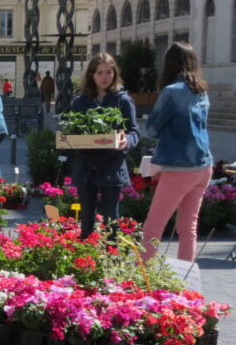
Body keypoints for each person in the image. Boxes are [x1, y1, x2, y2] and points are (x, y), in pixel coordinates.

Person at [142, 42, 213, 262]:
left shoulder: (172, 92)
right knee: (188, 228)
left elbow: (153, 129)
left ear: (169, 63)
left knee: (153, 228)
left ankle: (138, 279)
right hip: (203, 165)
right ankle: (186, 283)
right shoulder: (200, 90)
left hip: (179, 167)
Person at [67, 53, 139, 239]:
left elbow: (134, 131)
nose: (105, 77)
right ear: (92, 75)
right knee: (87, 217)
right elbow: (71, 131)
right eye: (100, 73)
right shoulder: (79, 102)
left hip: (111, 164)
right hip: (86, 165)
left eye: (109, 72)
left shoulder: (122, 100)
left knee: (110, 218)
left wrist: (127, 141)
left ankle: (111, 258)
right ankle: (86, 259)